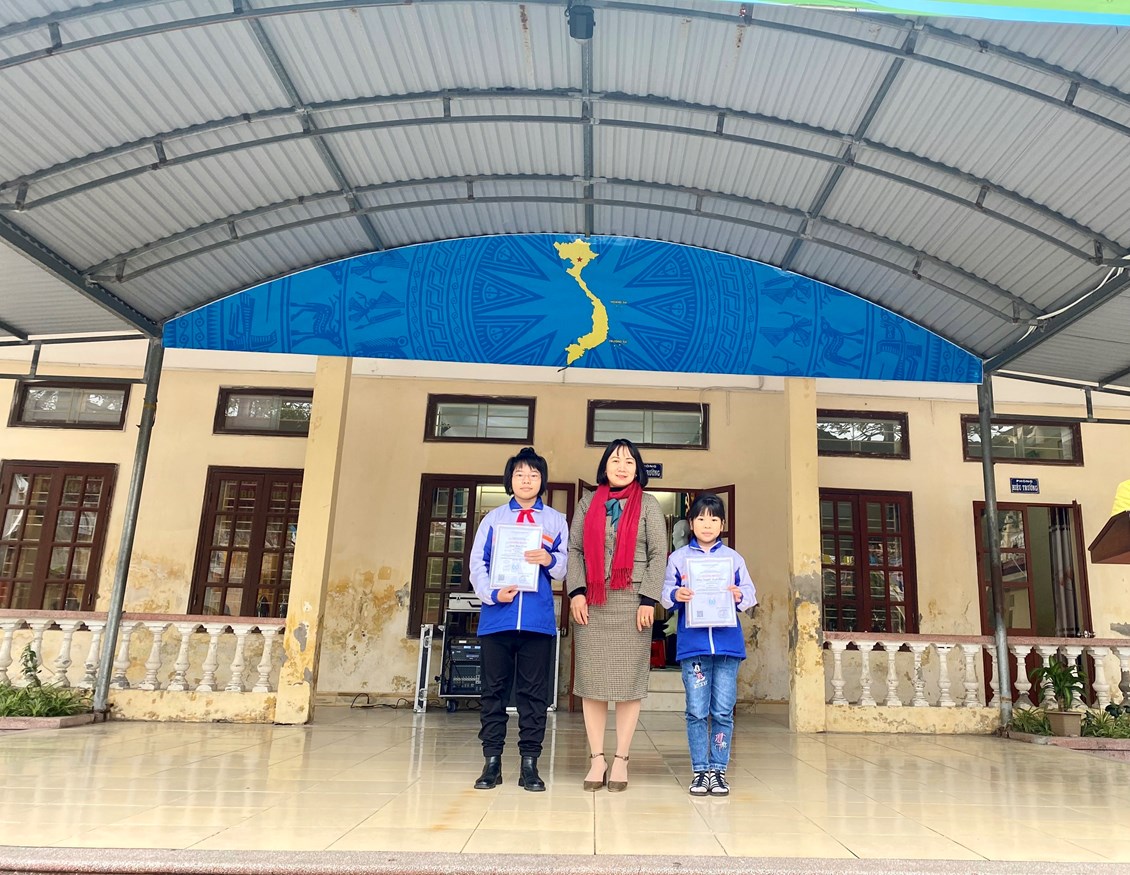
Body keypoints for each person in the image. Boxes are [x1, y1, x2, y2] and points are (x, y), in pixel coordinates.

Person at [567, 438, 668, 792]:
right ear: (604, 467)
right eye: (615, 460)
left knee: (627, 685)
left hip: (632, 602)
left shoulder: (649, 505)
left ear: (637, 469)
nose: (622, 467)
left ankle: (622, 757)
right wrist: (577, 592)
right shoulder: (586, 503)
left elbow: (659, 554)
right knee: (592, 684)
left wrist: (648, 599)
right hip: (592, 602)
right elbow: (575, 549)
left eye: (628, 461)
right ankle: (597, 758)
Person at [468, 447, 568, 792]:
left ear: (542, 481)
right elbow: (477, 564)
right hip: (497, 619)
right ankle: (491, 762)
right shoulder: (493, 519)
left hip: (537, 621)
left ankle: (530, 764)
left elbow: (564, 567)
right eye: (520, 474)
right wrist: (493, 594)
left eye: (533, 475)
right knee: (493, 692)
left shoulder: (554, 520)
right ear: (510, 480)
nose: (527, 480)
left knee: (533, 695)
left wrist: (548, 560)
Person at [660, 493, 756, 797]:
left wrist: (739, 595)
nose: (707, 524)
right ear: (691, 523)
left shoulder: (733, 559)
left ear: (722, 524)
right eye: (701, 518)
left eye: (714, 518)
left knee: (723, 711)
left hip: (728, 648)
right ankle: (700, 770)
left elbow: (750, 595)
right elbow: (665, 595)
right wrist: (676, 595)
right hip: (694, 648)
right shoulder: (678, 559)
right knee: (697, 711)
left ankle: (718, 771)